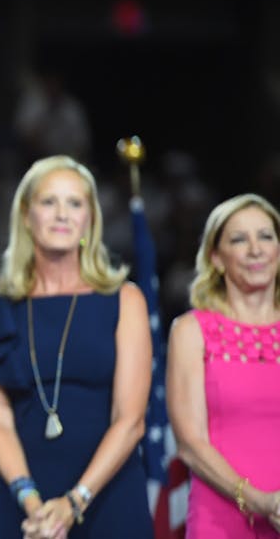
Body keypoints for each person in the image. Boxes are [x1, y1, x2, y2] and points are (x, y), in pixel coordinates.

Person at [0, 155, 153, 539]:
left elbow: (130, 420)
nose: (62, 213)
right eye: (49, 202)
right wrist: (32, 502)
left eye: (75, 203)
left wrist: (74, 502)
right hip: (25, 503)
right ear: (27, 217)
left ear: (90, 220)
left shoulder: (124, 299)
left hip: (109, 495)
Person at [166, 193, 280, 537]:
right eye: (239, 239)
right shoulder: (191, 331)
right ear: (216, 257)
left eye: (265, 236)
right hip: (222, 519)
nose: (255, 250)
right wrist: (261, 501)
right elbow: (190, 443)